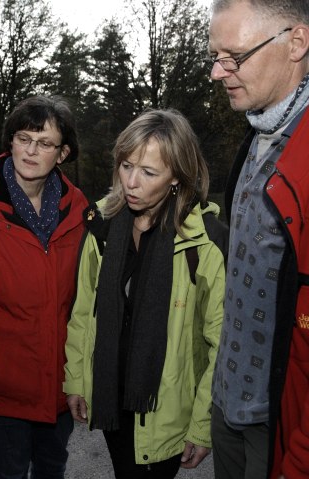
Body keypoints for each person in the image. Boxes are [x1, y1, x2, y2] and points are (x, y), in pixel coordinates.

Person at [63, 108, 227, 479]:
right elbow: (84, 310)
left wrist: (202, 425)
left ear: (176, 177)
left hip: (165, 404)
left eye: (149, 172)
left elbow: (220, 343)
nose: (131, 182)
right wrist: (76, 380)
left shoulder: (206, 242)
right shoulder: (101, 225)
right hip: (111, 395)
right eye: (125, 165)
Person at [0, 95, 88, 479]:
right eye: (23, 138)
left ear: (62, 154)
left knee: (52, 468)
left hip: (58, 381)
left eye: (44, 143)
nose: (31, 151)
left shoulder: (80, 209)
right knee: (8, 471)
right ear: (10, 141)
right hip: (2, 381)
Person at [207, 1, 309, 478]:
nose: (215, 72)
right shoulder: (257, 133)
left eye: (234, 56)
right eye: (214, 55)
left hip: (279, 420)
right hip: (228, 403)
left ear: (297, 43)